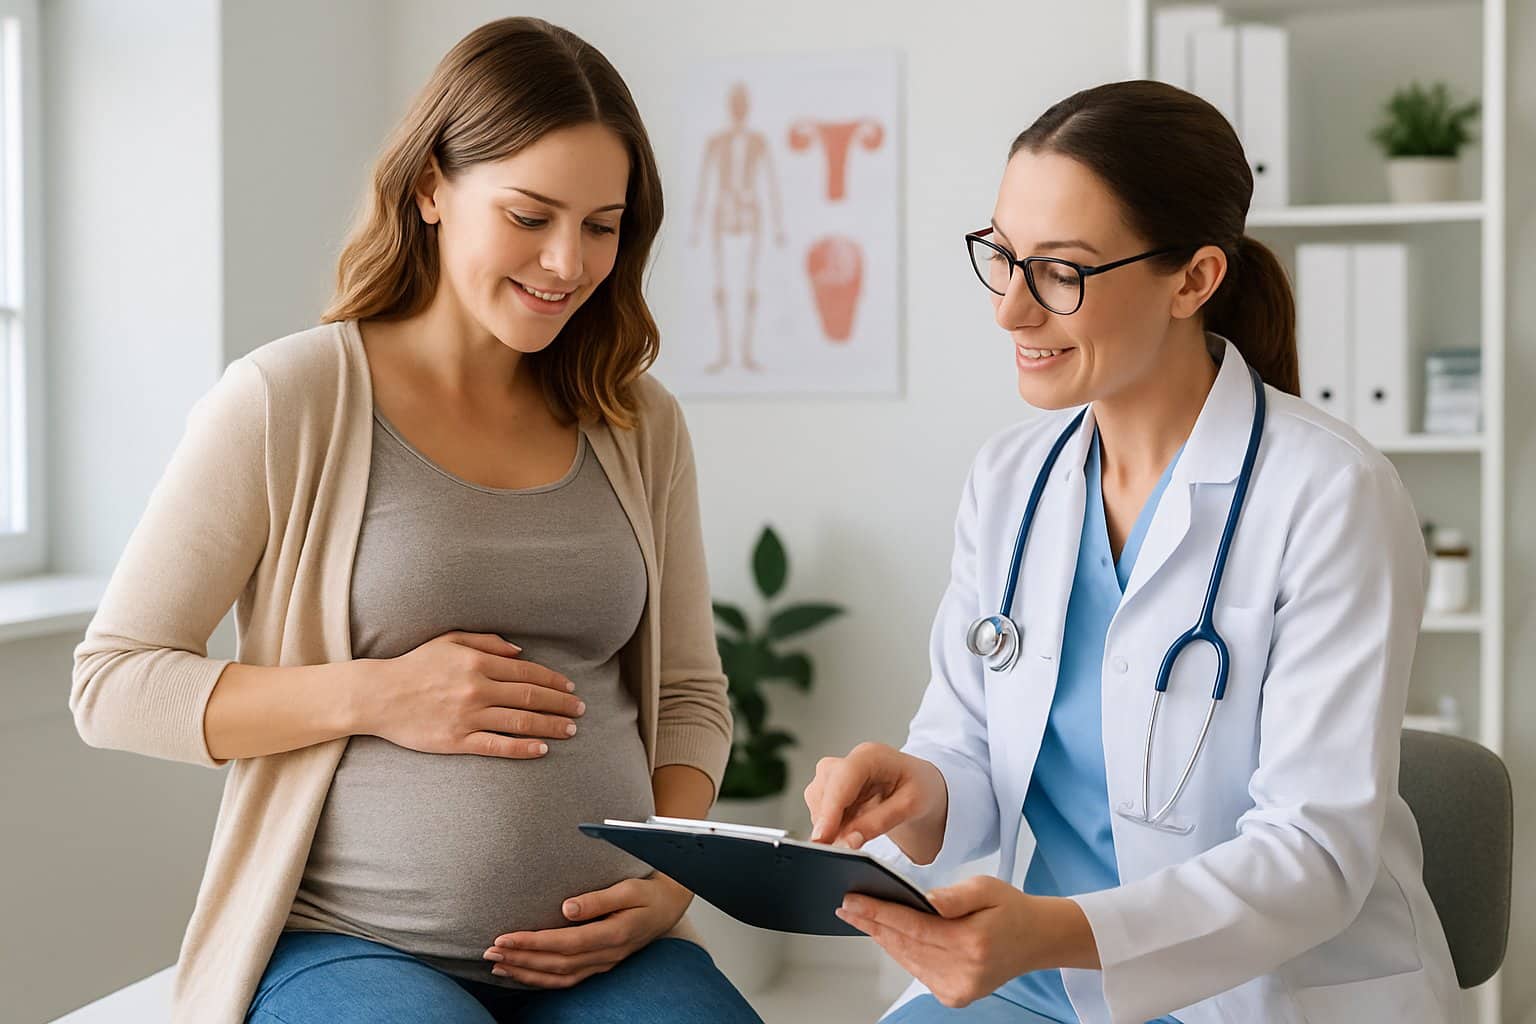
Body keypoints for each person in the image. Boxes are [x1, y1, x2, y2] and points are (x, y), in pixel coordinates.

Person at [71, 17, 760, 1024]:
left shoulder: (636, 419)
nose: (567, 262)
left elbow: (692, 692)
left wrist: (670, 884)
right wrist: (377, 695)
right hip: (351, 942)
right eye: (530, 216)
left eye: (602, 226)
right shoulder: (290, 399)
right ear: (432, 186)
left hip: (609, 954)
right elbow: (114, 681)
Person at [803, 81, 1458, 1024]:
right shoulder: (1011, 481)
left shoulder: (1329, 494)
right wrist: (921, 791)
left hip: (1256, 990)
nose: (1011, 313)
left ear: (1193, 280)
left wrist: (1059, 928)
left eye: (1061, 273)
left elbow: (1314, 856)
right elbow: (969, 744)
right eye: (1003, 255)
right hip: (1041, 980)